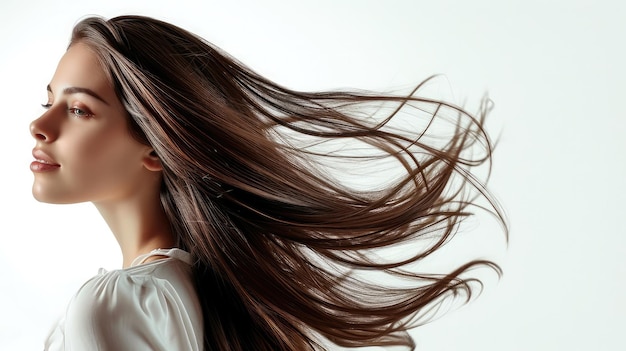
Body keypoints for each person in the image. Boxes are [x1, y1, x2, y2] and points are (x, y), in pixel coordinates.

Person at [32, 15, 505, 351]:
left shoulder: (113, 306)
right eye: (46, 100)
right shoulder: (189, 292)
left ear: (156, 147)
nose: (40, 125)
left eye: (79, 110)